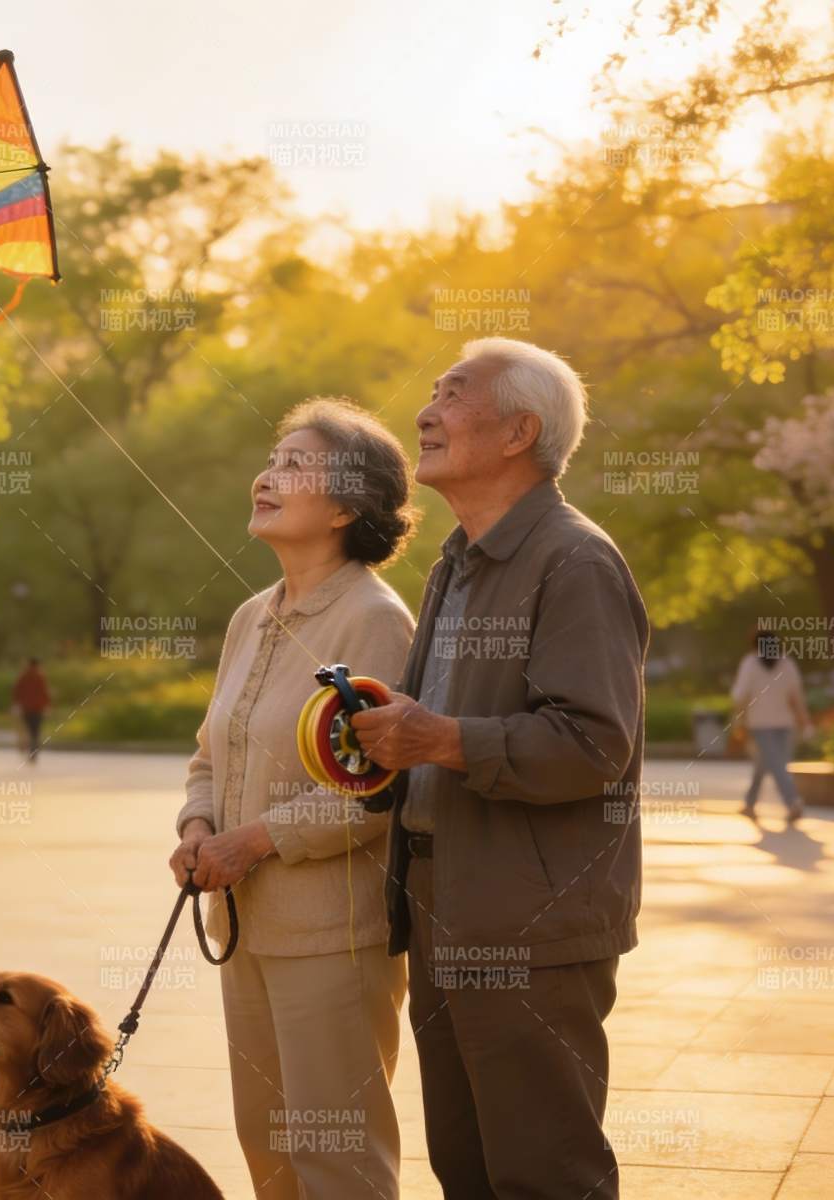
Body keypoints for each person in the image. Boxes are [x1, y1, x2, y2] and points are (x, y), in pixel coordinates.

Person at [353, 338, 647, 1200]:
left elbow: (595, 744)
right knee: (469, 1168)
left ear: (520, 431)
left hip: (530, 924)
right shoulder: (456, 561)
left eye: (453, 392)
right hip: (444, 903)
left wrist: (441, 739)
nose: (425, 410)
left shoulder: (575, 559)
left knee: (545, 1171)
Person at [170, 398, 419, 1199]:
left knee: (337, 1163)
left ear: (348, 506)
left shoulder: (375, 619)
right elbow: (211, 750)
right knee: (268, 1155)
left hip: (333, 941)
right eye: (273, 459)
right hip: (243, 927)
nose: (267, 477)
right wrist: (199, 825)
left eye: (295, 465)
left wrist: (251, 841)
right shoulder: (252, 616)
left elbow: (372, 794)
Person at [731, 628, 812, 822]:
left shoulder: (750, 663)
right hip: (784, 724)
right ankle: (756, 803)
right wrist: (804, 721)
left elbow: (741, 696)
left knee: (771, 764)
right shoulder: (787, 663)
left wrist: (737, 720)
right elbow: (796, 698)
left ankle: (792, 803)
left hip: (760, 724)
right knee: (775, 764)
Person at [11, 657, 51, 762]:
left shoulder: (23, 676)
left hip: (26, 708)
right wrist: (47, 706)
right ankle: (33, 752)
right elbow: (45, 693)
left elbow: (16, 692)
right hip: (38, 709)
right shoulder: (40, 676)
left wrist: (16, 704)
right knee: (35, 731)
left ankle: (30, 749)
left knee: (28, 730)